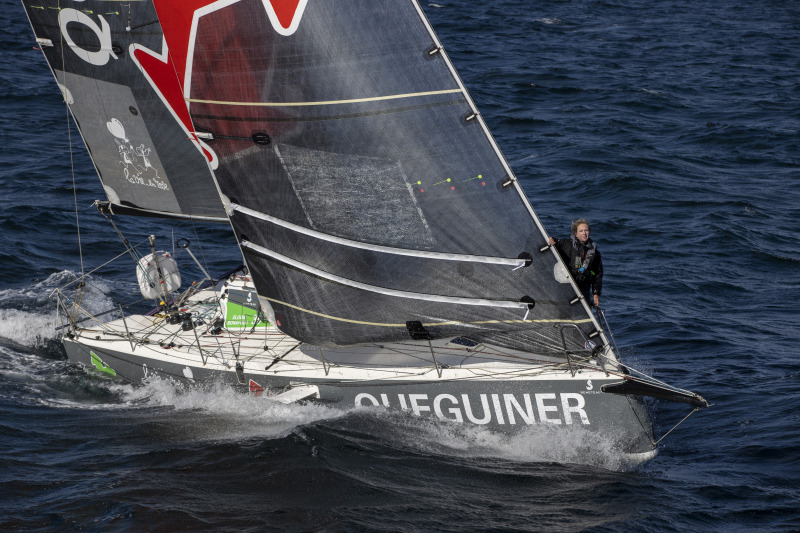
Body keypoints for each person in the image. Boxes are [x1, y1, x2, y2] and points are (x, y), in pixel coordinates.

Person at [548, 218, 603, 307]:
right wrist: (551, 240)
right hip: (566, 288)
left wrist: (596, 293)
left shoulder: (595, 254)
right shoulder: (567, 244)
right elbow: (556, 242)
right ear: (575, 233)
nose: (584, 233)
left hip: (583, 290)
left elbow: (598, 274)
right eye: (581, 231)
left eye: (586, 230)